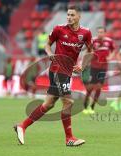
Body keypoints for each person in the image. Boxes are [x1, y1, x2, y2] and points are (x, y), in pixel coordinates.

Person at [14, 5, 92, 146]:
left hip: (67, 72)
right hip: (57, 69)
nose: (69, 17)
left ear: (79, 16)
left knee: (49, 104)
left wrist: (83, 65)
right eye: (68, 15)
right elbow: (47, 45)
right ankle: (69, 138)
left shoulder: (86, 33)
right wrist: (50, 55)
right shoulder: (58, 29)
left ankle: (22, 126)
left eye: (72, 15)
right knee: (68, 102)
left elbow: (90, 51)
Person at [82, 26, 115, 114]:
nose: (100, 34)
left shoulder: (109, 41)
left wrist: (110, 57)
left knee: (99, 87)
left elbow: (113, 50)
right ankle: (85, 104)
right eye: (99, 32)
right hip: (94, 67)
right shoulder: (93, 41)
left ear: (105, 33)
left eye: (102, 32)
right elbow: (88, 51)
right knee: (90, 87)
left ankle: (92, 106)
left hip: (103, 68)